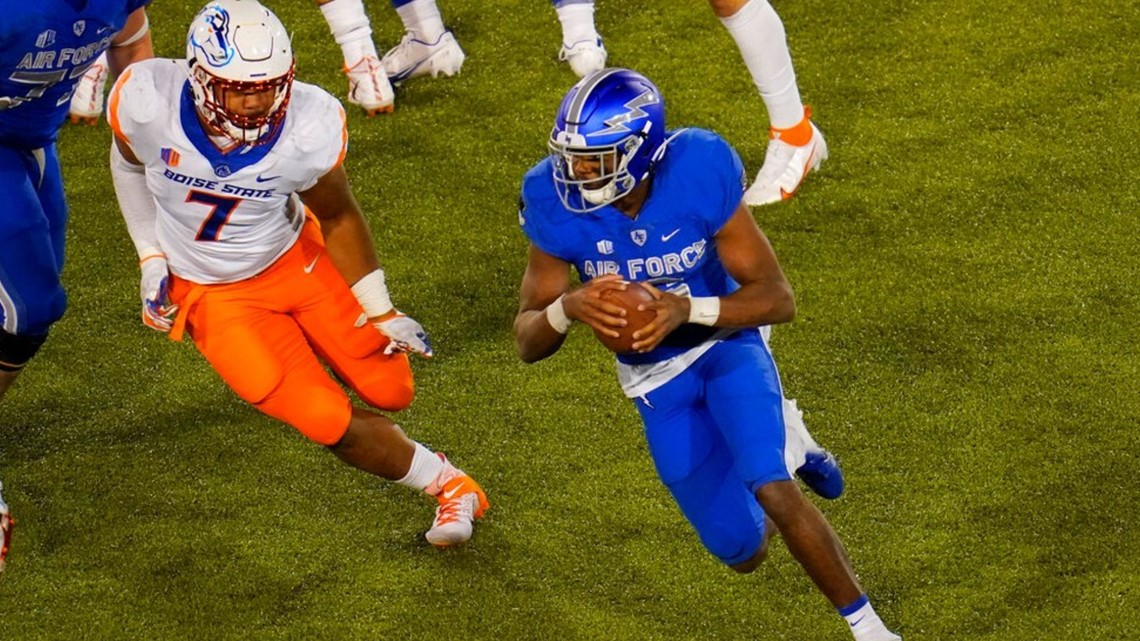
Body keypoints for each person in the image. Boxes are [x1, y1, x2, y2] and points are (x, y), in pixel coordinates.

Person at [513, 68, 900, 641]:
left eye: (597, 157)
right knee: (739, 550)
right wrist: (567, 307)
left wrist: (685, 308)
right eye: (573, 157)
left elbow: (777, 298)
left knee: (769, 484)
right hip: (652, 378)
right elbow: (526, 338)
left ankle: (869, 629)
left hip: (724, 344)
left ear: (641, 151)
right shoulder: (551, 197)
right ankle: (794, 443)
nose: (579, 171)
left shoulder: (696, 168)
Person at [107, 0, 487, 547]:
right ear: (197, 75)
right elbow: (127, 161)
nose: (257, 100)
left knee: (392, 389)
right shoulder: (147, 99)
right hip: (213, 294)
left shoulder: (306, 124)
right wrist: (150, 255)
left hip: (293, 259)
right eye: (238, 87)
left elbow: (337, 212)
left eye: (267, 85)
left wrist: (380, 308)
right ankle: (451, 485)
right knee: (322, 419)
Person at [0, 0, 155, 572]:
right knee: (26, 308)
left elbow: (132, 45)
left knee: (32, 310)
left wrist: (155, 139)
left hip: (33, 142)